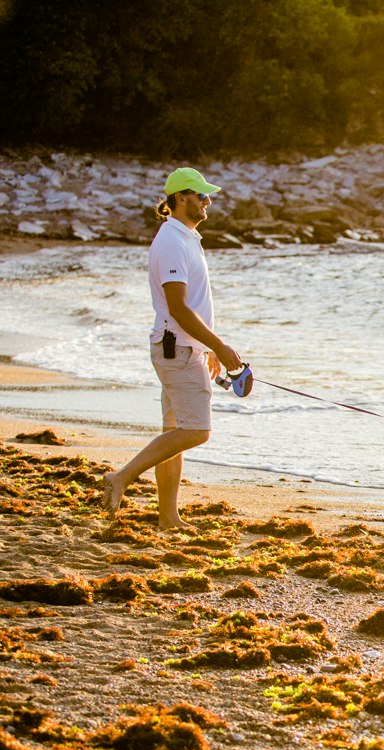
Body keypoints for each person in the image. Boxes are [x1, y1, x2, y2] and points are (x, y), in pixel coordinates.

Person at [103, 167, 243, 530]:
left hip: (182, 347)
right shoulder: (172, 242)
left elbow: (190, 305)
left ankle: (168, 518)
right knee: (197, 431)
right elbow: (178, 307)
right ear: (180, 198)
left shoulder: (185, 237)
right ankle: (121, 476)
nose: (207, 201)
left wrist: (209, 349)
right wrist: (220, 346)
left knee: (174, 433)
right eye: (200, 195)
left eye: (207, 195)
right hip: (177, 350)